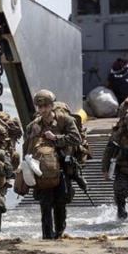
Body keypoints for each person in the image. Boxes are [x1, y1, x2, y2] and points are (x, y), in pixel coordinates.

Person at [23, 89, 81, 240]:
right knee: (45, 203)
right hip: (42, 170)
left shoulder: (65, 120)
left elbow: (76, 139)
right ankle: (47, 236)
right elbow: (27, 148)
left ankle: (59, 233)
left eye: (45, 106)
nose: (42, 110)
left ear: (51, 106)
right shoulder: (33, 126)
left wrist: (56, 138)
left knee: (60, 202)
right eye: (39, 107)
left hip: (61, 166)